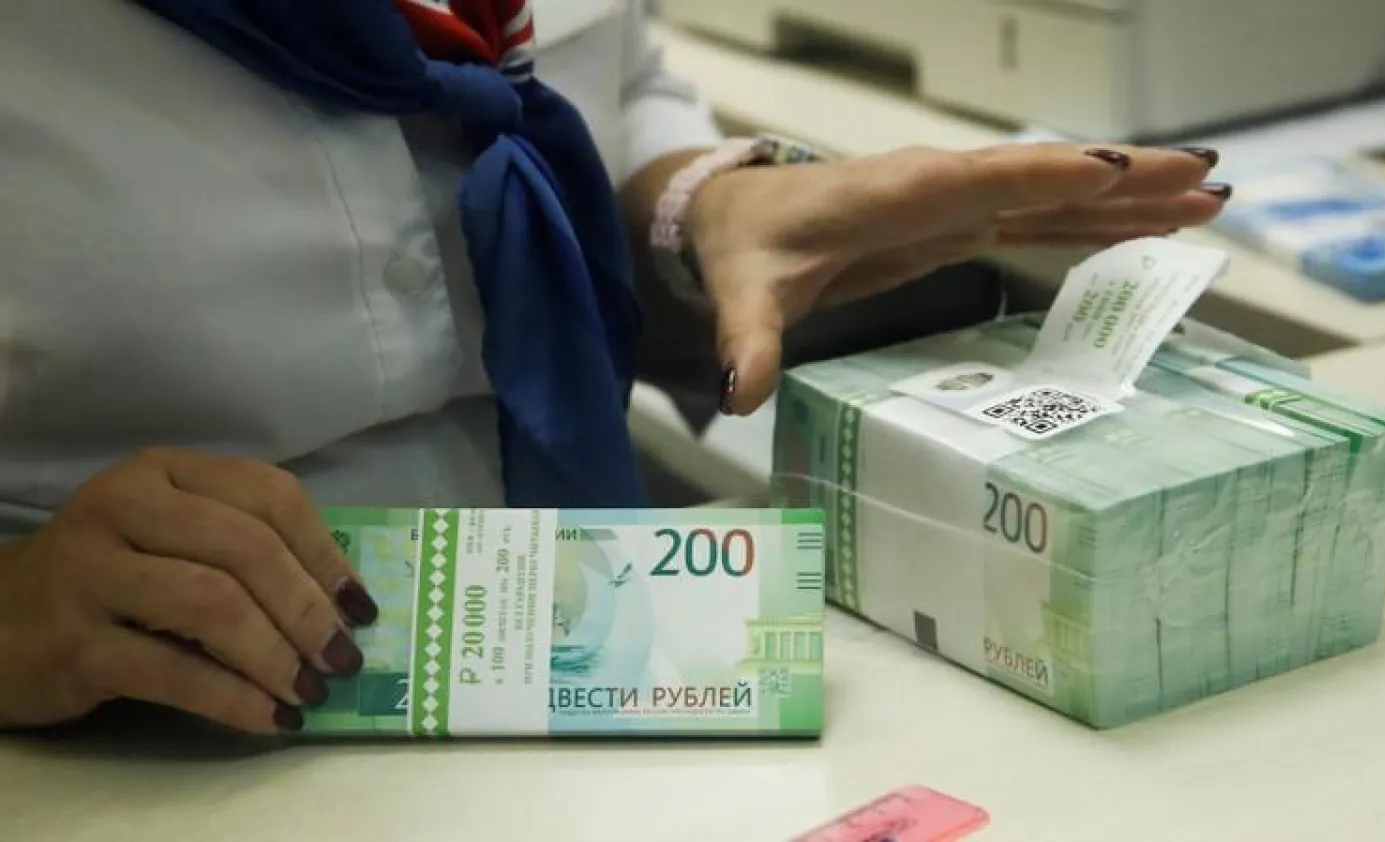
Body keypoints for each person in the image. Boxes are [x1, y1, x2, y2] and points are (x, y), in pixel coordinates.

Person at [0, 0, 1230, 736]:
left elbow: (611, 88)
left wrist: (699, 213)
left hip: (595, 651)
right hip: (143, 749)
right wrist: (14, 612)